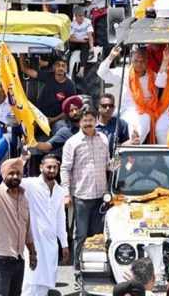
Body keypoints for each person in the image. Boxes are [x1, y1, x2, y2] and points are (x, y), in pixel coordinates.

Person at [0, 151, 37, 296]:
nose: (15, 176)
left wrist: (32, 253)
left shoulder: (24, 198)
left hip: (18, 261)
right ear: (4, 175)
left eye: (18, 173)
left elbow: (27, 229)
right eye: (11, 173)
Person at [61, 110, 111, 268]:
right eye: (85, 120)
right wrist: (66, 194)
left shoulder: (103, 139)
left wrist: (123, 162)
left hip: (101, 197)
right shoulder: (72, 142)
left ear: (96, 120)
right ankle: (78, 270)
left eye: (91, 120)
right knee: (80, 235)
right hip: (82, 196)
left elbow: (109, 165)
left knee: (97, 236)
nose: (88, 123)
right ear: (80, 122)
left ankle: (95, 269)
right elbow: (65, 169)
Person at [18, 154, 70, 296]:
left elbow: (61, 219)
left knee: (45, 285)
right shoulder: (31, 184)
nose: (52, 170)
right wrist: (23, 159)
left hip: (51, 244)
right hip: (34, 243)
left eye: (55, 167)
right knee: (30, 283)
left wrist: (64, 244)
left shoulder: (59, 191)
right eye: (49, 167)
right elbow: (14, 177)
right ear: (41, 168)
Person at [98, 46, 157, 143]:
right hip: (127, 110)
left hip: (146, 110)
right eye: (136, 61)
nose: (139, 64)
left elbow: (163, 82)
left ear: (147, 61)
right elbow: (101, 73)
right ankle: (133, 142)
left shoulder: (152, 76)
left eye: (142, 61)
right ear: (131, 61)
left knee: (145, 121)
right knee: (131, 123)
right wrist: (111, 57)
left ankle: (135, 142)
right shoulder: (124, 73)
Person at [19, 56, 77, 135]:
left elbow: (69, 109)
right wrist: (22, 52)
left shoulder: (70, 85)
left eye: (63, 66)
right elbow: (25, 69)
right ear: (53, 68)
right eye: (58, 65)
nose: (60, 68)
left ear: (66, 68)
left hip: (57, 119)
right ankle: (27, 146)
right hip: (40, 115)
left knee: (61, 128)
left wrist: (54, 119)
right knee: (27, 126)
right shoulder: (48, 76)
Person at [68, 6, 94, 78]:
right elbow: (71, 39)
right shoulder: (72, 24)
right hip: (77, 42)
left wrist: (92, 47)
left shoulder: (87, 22)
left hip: (84, 42)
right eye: (80, 16)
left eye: (83, 15)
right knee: (67, 48)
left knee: (85, 48)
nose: (82, 17)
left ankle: (81, 69)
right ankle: (67, 69)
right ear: (75, 16)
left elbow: (90, 36)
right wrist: (81, 40)